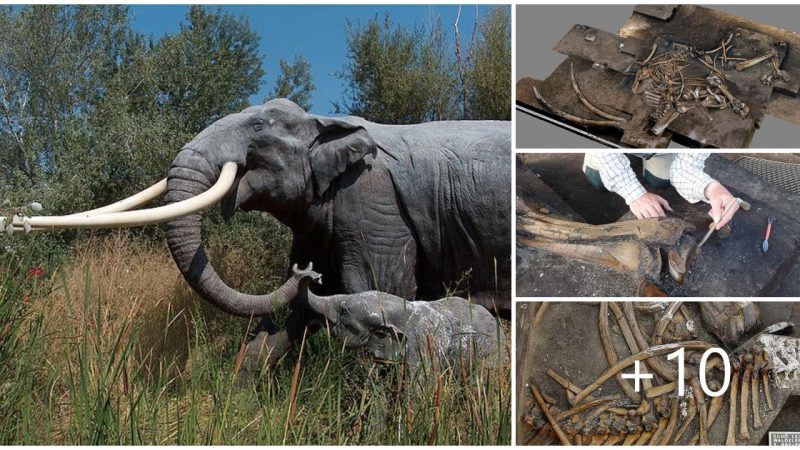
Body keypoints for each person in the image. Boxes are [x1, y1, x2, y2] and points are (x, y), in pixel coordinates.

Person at [583, 153, 739, 229]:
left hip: (657, 147)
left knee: (660, 180)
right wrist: (634, 194)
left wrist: (712, 189)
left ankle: (649, 154)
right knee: (598, 179)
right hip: (607, 151)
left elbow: (687, 165)